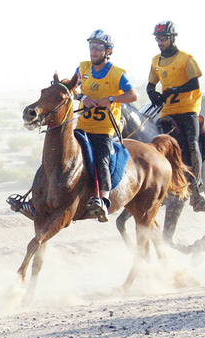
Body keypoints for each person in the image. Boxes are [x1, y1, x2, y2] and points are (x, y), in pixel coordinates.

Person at [74, 30, 138, 222]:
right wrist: (83, 97)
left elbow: (132, 95)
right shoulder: (83, 68)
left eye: (98, 48)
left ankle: (103, 199)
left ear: (107, 51)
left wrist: (110, 99)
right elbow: (74, 87)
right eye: (91, 47)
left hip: (104, 129)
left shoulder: (117, 74)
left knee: (102, 159)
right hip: (82, 125)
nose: (93, 51)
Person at [146, 20, 205, 214]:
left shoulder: (186, 59)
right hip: (168, 110)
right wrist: (153, 95)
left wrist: (174, 90)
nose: (160, 42)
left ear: (172, 38)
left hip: (188, 107)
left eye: (163, 39)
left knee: (191, 143)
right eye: (158, 39)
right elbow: (150, 84)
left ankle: (196, 188)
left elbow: (194, 85)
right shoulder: (156, 61)